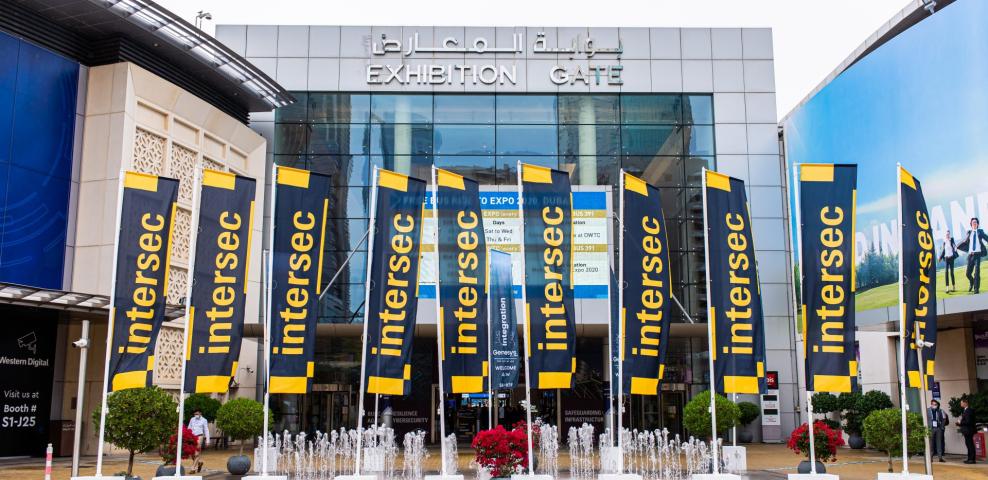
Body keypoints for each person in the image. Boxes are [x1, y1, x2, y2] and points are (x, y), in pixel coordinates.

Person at [956, 217, 988, 294]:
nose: (974, 223)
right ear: (971, 224)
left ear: (977, 224)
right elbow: (964, 241)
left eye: (976, 222)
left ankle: (976, 289)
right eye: (973, 222)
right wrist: (956, 246)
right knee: (968, 274)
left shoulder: (980, 232)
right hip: (970, 255)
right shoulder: (969, 232)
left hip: (977, 255)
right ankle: (972, 281)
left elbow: (987, 238)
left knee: (977, 272)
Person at [187, 408, 210, 473]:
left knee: (197, 453)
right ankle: (199, 463)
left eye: (197, 414)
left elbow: (206, 430)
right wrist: (187, 437)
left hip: (200, 436)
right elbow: (189, 428)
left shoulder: (204, 420)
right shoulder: (192, 419)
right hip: (192, 437)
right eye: (195, 414)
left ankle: (193, 469)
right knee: (192, 454)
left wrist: (207, 440)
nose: (195, 415)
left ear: (200, 413)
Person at [955, 399, 976, 464]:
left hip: (968, 430)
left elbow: (968, 421)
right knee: (968, 444)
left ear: (965, 403)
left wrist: (960, 423)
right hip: (967, 430)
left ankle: (972, 459)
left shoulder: (968, 410)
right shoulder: (965, 410)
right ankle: (970, 458)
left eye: (961, 403)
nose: (960, 404)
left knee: (970, 445)